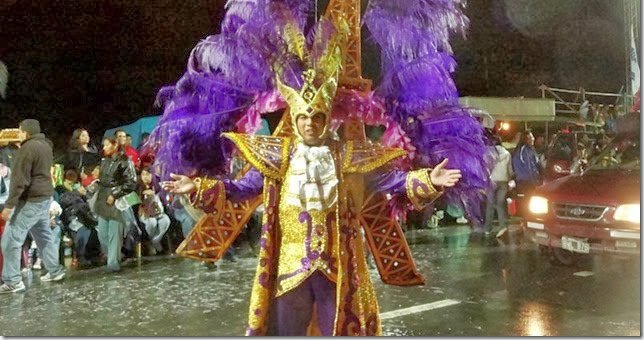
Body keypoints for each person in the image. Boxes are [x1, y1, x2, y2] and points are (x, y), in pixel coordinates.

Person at [163, 71, 462, 335]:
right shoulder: (277, 157)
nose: (309, 123)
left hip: (336, 267)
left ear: (326, 119)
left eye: (316, 117)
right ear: (295, 118)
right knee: (287, 331)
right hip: (289, 266)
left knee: (339, 328)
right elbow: (240, 189)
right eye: (303, 117)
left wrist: (429, 180)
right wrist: (197, 186)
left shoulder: (348, 156)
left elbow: (392, 181)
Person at [0, 119, 65, 293]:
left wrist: (10, 205)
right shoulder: (45, 145)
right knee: (43, 235)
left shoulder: (27, 148)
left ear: (26, 132)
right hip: (44, 198)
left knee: (11, 239)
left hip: (31, 200)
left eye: (20, 131)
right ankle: (55, 270)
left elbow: (20, 180)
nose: (18, 134)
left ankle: (13, 281)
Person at [94, 137, 137, 272]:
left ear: (115, 145)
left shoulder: (125, 161)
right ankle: (114, 257)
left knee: (114, 232)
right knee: (102, 234)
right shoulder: (104, 161)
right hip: (103, 198)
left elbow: (131, 182)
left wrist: (115, 194)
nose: (104, 148)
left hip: (116, 200)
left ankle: (113, 263)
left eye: (106, 145)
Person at [484, 134, 513, 237]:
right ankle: (502, 226)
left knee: (490, 204)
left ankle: (487, 228)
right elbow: (510, 170)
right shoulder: (507, 153)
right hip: (504, 181)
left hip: (492, 181)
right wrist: (510, 180)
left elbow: (486, 168)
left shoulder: (488, 154)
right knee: (500, 204)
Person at [137, 167, 170, 255]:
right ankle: (152, 244)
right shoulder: (138, 188)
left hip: (158, 213)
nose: (145, 177)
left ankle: (155, 241)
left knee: (165, 220)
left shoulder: (157, 186)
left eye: (147, 174)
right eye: (143, 175)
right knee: (152, 223)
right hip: (145, 215)